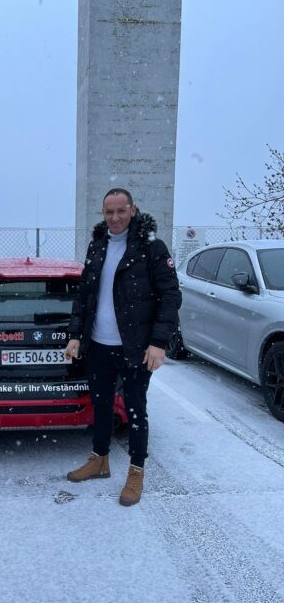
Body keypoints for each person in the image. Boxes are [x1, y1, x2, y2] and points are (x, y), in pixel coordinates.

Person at [65, 187, 181, 505]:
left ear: (133, 209)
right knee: (101, 404)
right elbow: (84, 295)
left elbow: (170, 296)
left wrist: (158, 343)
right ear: (103, 214)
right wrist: (76, 335)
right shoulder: (97, 246)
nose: (115, 218)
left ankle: (136, 471)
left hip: (135, 347)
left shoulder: (152, 247)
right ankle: (99, 459)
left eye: (121, 210)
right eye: (109, 212)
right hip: (98, 344)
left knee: (135, 409)